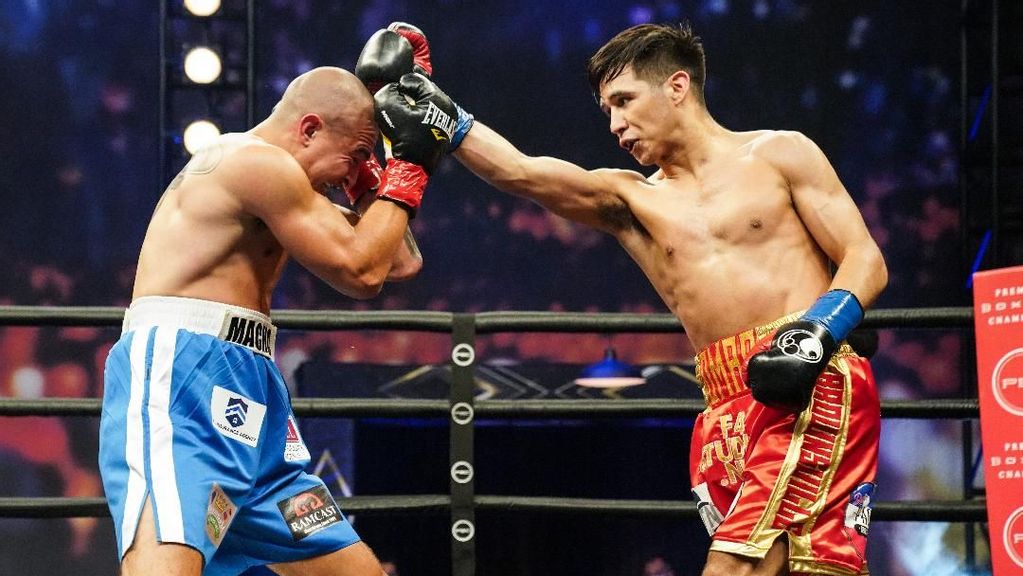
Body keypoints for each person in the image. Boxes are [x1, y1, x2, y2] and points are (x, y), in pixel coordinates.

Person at [374, 22, 888, 576]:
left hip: (804, 376)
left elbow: (865, 258)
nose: (616, 125)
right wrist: (444, 118)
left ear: (677, 87)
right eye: (607, 111)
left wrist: (817, 332)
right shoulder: (632, 199)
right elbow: (523, 173)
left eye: (624, 101)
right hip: (723, 402)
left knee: (734, 565)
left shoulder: (780, 154)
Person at [98, 65, 454, 576]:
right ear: (309, 128)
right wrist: (412, 163)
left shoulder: (291, 186)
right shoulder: (253, 162)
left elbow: (398, 261)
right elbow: (361, 270)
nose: (349, 171)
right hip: (185, 378)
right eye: (355, 154)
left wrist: (372, 181)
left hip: (253, 393)